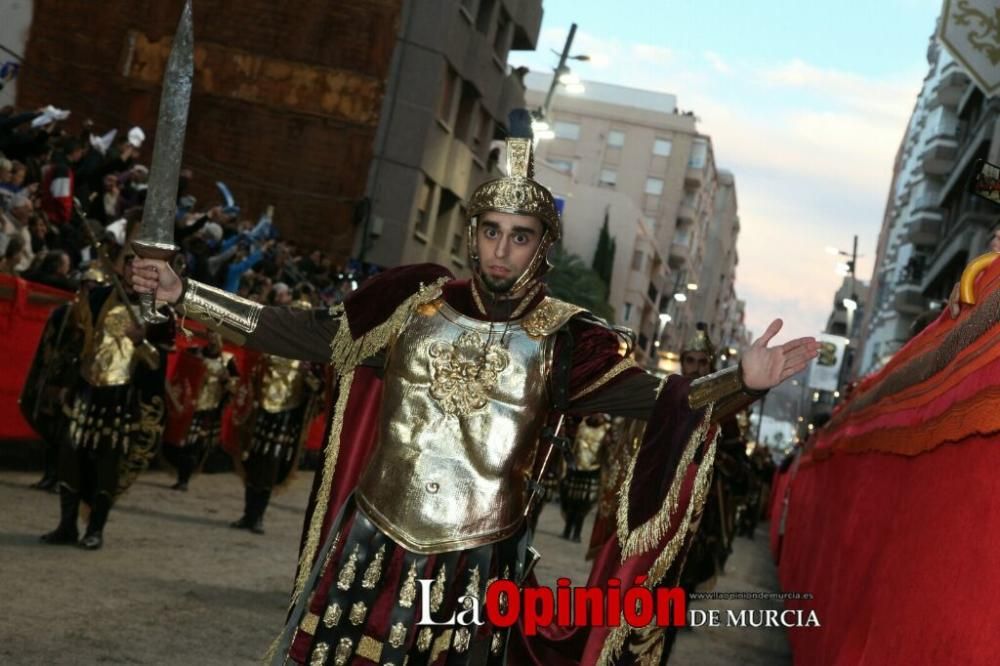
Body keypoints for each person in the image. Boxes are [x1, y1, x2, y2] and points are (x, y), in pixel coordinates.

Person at [130, 114, 818, 665]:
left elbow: (662, 402)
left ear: (540, 247)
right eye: (491, 232)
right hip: (373, 542)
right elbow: (303, 332)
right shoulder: (411, 302)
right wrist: (186, 294)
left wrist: (742, 383)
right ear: (474, 232)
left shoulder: (565, 338)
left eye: (519, 238)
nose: (500, 250)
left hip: (479, 563)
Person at [40, 262, 173, 550]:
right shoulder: (99, 296)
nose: (134, 272)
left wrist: (143, 343)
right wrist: (65, 381)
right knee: (70, 457)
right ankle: (66, 525)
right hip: (86, 389)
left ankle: (96, 529)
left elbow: (158, 364)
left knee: (107, 466)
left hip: (120, 398)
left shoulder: (159, 312)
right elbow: (78, 341)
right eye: (130, 265)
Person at [230, 297, 323, 534]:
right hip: (262, 411)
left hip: (286, 417)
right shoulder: (274, 345)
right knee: (253, 463)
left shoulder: (311, 355)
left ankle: (258, 516)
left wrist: (309, 377)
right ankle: (247, 514)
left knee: (271, 467)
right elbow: (255, 374)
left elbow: (318, 390)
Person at [162, 331, 239, 491]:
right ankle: (181, 474)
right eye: (211, 335)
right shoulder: (194, 353)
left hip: (209, 407)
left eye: (216, 336)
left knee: (196, 445)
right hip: (189, 405)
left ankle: (185, 478)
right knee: (181, 441)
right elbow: (182, 376)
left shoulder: (227, 360)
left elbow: (236, 385)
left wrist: (227, 381)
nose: (213, 339)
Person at [560, 414, 611, 542]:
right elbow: (574, 445)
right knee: (571, 500)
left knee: (585, 504)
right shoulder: (582, 424)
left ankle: (577, 532)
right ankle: (567, 529)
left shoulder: (606, 429)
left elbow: (607, 452)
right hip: (577, 468)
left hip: (593, 470)